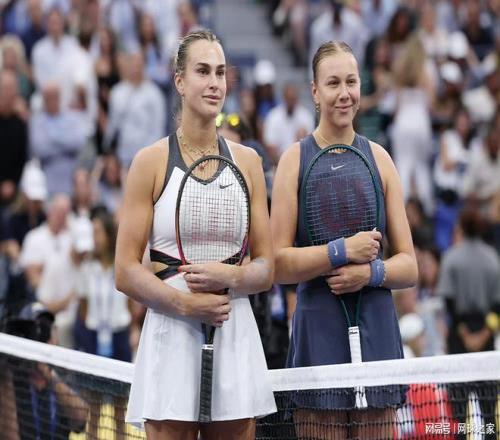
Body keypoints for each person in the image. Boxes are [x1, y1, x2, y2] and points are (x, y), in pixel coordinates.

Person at [115, 30, 276, 439]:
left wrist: (231, 276)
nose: (214, 82)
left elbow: (266, 268)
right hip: (171, 334)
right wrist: (186, 305)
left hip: (233, 330)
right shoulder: (149, 162)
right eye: (202, 71)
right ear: (180, 82)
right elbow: (124, 270)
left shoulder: (249, 162)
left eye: (220, 72)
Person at [271, 40, 417, 439]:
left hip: (376, 322)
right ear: (315, 91)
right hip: (318, 323)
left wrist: (369, 274)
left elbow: (409, 266)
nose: (344, 93)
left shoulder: (380, 159)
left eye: (351, 82)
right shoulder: (293, 161)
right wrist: (341, 252)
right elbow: (278, 264)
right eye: (333, 83)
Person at [3, 301, 89, 439]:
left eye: (46, 329)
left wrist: (49, 376)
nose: (41, 336)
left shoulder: (63, 372)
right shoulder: (11, 377)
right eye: (34, 331)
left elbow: (81, 420)